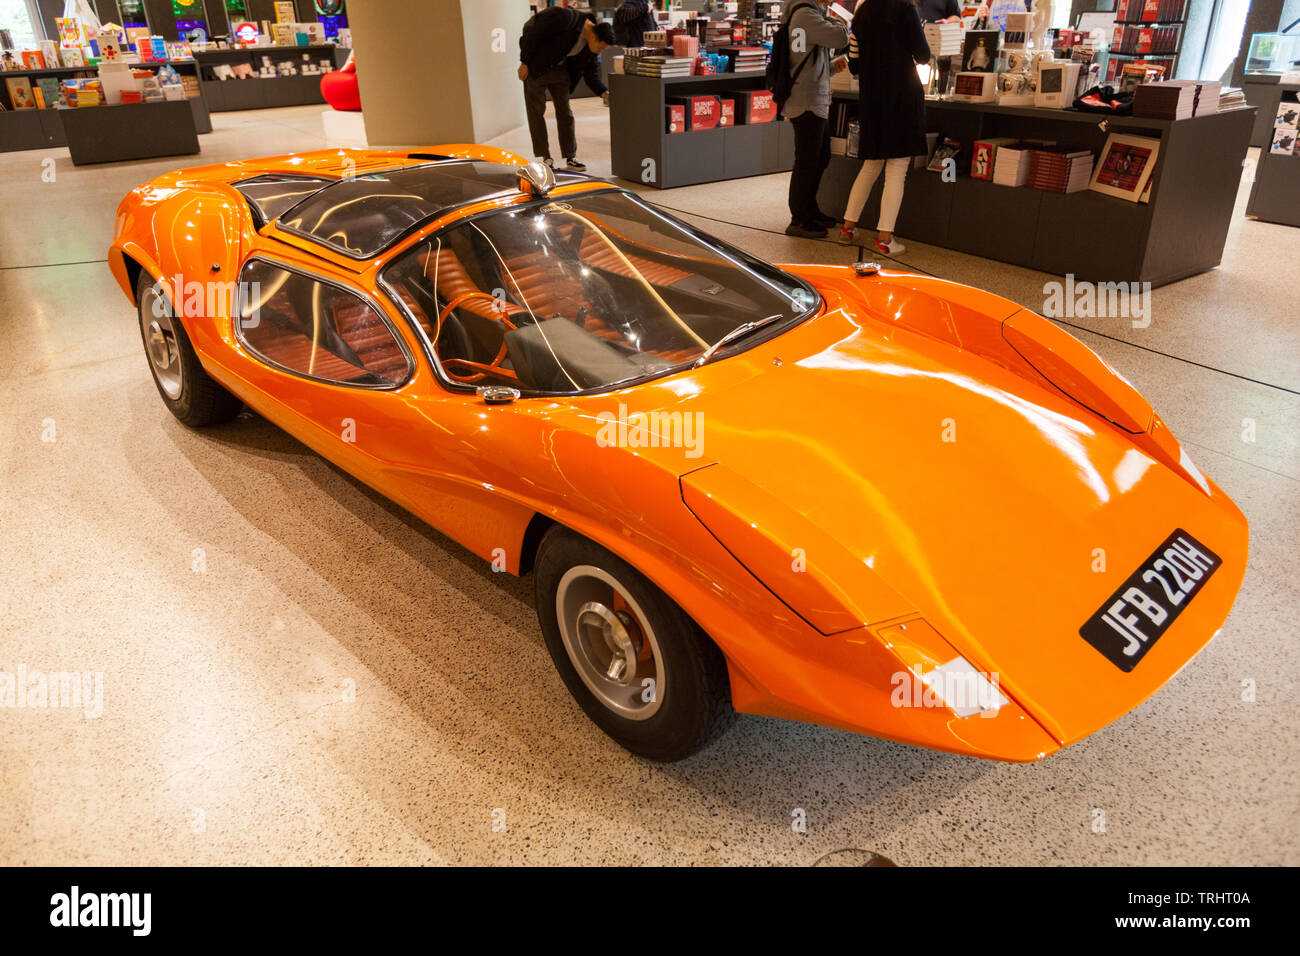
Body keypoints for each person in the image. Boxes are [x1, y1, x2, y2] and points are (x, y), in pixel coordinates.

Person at [836, 0, 930, 255]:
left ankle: (847, 227)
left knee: (871, 165)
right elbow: (923, 55)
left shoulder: (862, 14)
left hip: (872, 100)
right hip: (903, 98)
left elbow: (854, 65)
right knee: (897, 169)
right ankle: (885, 239)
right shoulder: (905, 9)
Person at [782, 0, 851, 238]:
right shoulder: (806, 15)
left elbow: (806, 59)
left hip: (812, 97)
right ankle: (799, 219)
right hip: (807, 101)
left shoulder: (809, 15)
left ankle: (810, 210)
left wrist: (830, 68)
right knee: (807, 161)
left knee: (820, 157)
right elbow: (842, 38)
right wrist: (835, 18)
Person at [518, 8, 616, 172]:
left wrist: (605, 93)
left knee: (565, 113)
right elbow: (532, 34)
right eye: (602, 47)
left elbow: (590, 74)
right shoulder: (566, 18)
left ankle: (571, 156)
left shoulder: (589, 46)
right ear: (594, 36)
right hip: (536, 67)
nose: (601, 51)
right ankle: (545, 158)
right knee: (536, 113)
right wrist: (524, 62)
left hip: (560, 71)